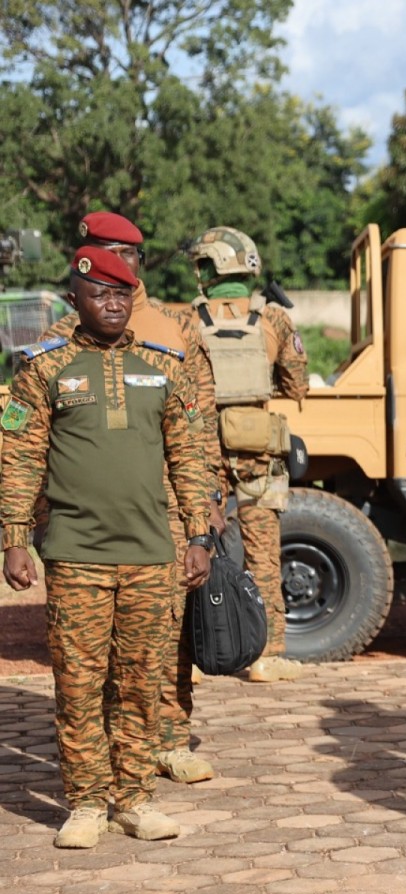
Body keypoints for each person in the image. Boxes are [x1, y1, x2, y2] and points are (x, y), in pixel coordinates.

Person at [2, 246, 213, 848]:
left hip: (152, 553)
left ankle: (136, 799)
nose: (114, 303)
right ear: (76, 300)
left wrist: (198, 534)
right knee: (78, 684)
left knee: (142, 682)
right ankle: (88, 802)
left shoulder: (165, 367)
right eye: (101, 294)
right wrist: (15, 539)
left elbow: (189, 457)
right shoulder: (44, 368)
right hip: (75, 554)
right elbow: (19, 456)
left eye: (123, 293)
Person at [41, 212, 224, 785]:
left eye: (122, 253)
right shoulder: (59, 337)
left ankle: (166, 741)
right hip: (91, 519)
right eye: (98, 251)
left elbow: (200, 421)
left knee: (164, 634)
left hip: (168, 506)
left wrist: (209, 501)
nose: (114, 264)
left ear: (139, 261)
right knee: (90, 650)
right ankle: (97, 766)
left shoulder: (174, 327)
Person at [188, 227, 308, 683]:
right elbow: (298, 385)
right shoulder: (275, 319)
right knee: (262, 553)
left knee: (196, 547)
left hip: (202, 450)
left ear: (211, 268)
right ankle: (267, 654)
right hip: (258, 451)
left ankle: (191, 657)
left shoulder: (187, 319)